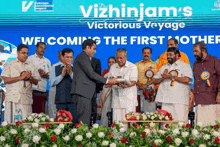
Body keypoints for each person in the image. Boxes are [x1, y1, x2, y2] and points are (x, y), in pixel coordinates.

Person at [70, 39, 118, 126]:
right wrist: (107, 80)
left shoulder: (85, 57)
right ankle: (80, 138)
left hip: (85, 94)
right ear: (87, 47)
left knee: (86, 120)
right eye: (94, 49)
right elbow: (91, 74)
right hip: (82, 93)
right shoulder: (82, 57)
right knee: (83, 121)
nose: (95, 52)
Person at [147, 47, 192, 122]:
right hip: (166, 101)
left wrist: (171, 77)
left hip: (179, 101)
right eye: (167, 55)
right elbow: (155, 80)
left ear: (177, 55)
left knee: (180, 123)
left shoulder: (185, 66)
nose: (168, 57)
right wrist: (163, 77)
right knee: (166, 124)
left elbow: (187, 80)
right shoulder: (164, 67)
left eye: (171, 55)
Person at [1, 44, 39, 123]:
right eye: (23, 53)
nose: (25, 55)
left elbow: (36, 82)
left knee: (25, 124)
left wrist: (30, 78)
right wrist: (21, 78)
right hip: (12, 99)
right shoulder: (9, 64)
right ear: (17, 53)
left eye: (27, 53)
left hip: (26, 99)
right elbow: (5, 80)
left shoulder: (31, 66)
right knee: (11, 123)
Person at [191, 42, 220, 126]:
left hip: (212, 100)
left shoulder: (214, 61)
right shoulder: (195, 64)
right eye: (193, 51)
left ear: (203, 50)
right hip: (199, 101)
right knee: (200, 127)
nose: (194, 54)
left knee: (213, 126)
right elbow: (196, 82)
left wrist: (219, 93)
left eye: (196, 51)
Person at [108, 48, 138, 124]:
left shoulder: (132, 67)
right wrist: (113, 82)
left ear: (126, 57)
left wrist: (127, 85)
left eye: (121, 58)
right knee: (117, 123)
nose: (119, 60)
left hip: (129, 100)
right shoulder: (113, 67)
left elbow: (134, 81)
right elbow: (110, 79)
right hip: (116, 100)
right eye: (117, 58)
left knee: (129, 123)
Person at [49, 48, 77, 123]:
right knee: (61, 125)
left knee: (73, 124)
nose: (69, 59)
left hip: (73, 101)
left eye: (71, 57)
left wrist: (71, 73)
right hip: (60, 101)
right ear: (62, 57)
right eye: (67, 57)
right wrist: (61, 75)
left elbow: (78, 82)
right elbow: (51, 83)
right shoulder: (55, 68)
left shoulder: (76, 68)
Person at [28, 42, 51, 113]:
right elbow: (25, 72)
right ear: (36, 48)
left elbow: (50, 76)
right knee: (31, 113)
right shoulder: (30, 59)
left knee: (41, 113)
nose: (42, 50)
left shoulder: (47, 61)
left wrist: (45, 75)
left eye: (44, 48)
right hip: (31, 89)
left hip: (42, 90)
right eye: (41, 47)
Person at [136, 47, 158, 113]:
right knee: (139, 113)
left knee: (150, 114)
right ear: (142, 54)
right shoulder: (136, 65)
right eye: (144, 53)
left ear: (150, 54)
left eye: (148, 53)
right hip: (139, 91)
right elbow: (134, 78)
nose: (146, 54)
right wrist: (141, 86)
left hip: (150, 92)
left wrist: (146, 85)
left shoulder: (155, 65)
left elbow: (156, 78)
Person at [99, 56, 116, 127]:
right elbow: (102, 85)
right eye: (109, 62)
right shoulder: (105, 72)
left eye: (113, 62)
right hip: (107, 96)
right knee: (106, 113)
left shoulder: (119, 71)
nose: (111, 64)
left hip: (116, 95)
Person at [48, 50, 63, 118]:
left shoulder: (71, 67)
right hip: (55, 91)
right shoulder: (54, 66)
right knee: (53, 110)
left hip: (66, 94)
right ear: (58, 57)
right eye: (60, 55)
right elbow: (51, 81)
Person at [91, 57, 102, 125]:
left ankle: (93, 124)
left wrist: (98, 89)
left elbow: (98, 75)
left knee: (93, 109)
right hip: (82, 92)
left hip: (93, 90)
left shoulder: (96, 61)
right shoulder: (80, 60)